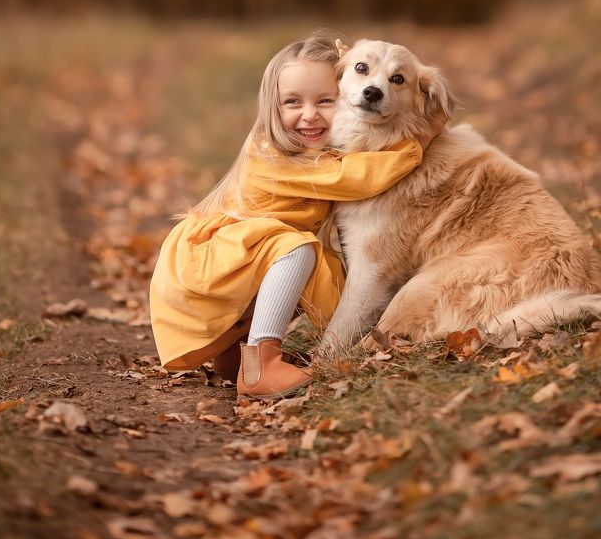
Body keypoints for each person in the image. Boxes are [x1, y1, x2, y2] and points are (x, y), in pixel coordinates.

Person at [149, 30, 429, 400]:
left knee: (314, 264)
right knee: (296, 250)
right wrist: (415, 149)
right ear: (271, 107)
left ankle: (235, 355)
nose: (310, 115)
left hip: (237, 266)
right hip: (207, 268)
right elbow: (352, 179)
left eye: (325, 101)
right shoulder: (273, 156)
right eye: (293, 102)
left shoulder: (314, 151)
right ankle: (259, 367)